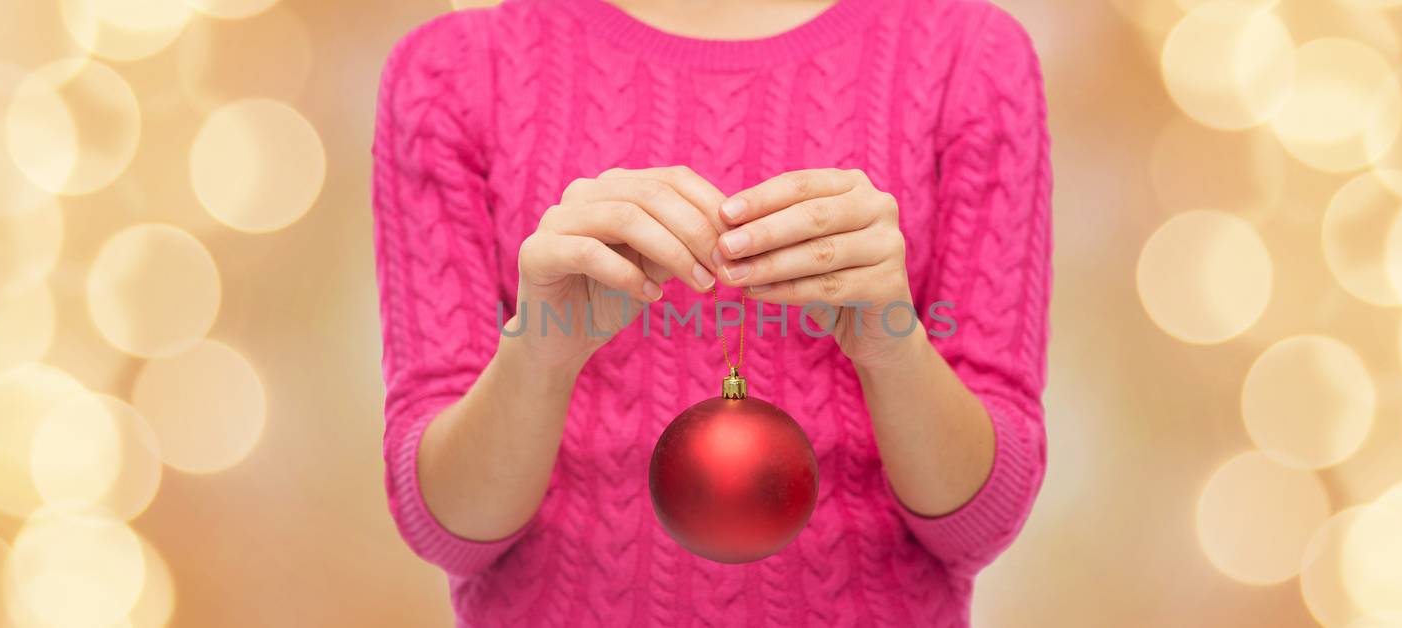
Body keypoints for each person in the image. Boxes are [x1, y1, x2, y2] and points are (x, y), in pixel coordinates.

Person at [370, 0, 1050, 624]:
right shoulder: (450, 73)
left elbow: (980, 524)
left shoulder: (971, 56)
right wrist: (540, 352)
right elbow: (448, 528)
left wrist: (893, 347)